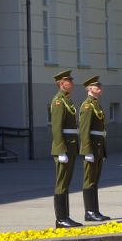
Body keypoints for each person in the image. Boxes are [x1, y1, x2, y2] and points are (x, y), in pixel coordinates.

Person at [50, 70, 82, 228]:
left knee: (66, 182)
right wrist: (61, 150)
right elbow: (56, 128)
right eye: (69, 81)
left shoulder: (67, 101)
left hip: (70, 146)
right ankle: (61, 218)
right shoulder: (58, 101)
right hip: (64, 148)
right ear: (62, 83)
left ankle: (66, 217)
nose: (72, 83)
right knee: (61, 183)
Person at [79, 76, 111, 222]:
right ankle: (89, 212)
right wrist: (87, 151)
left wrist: (102, 150)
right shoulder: (87, 106)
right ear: (90, 89)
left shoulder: (96, 105)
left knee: (95, 180)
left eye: (100, 86)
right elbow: (84, 130)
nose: (100, 88)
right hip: (91, 148)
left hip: (98, 147)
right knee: (89, 180)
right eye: (97, 86)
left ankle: (95, 211)